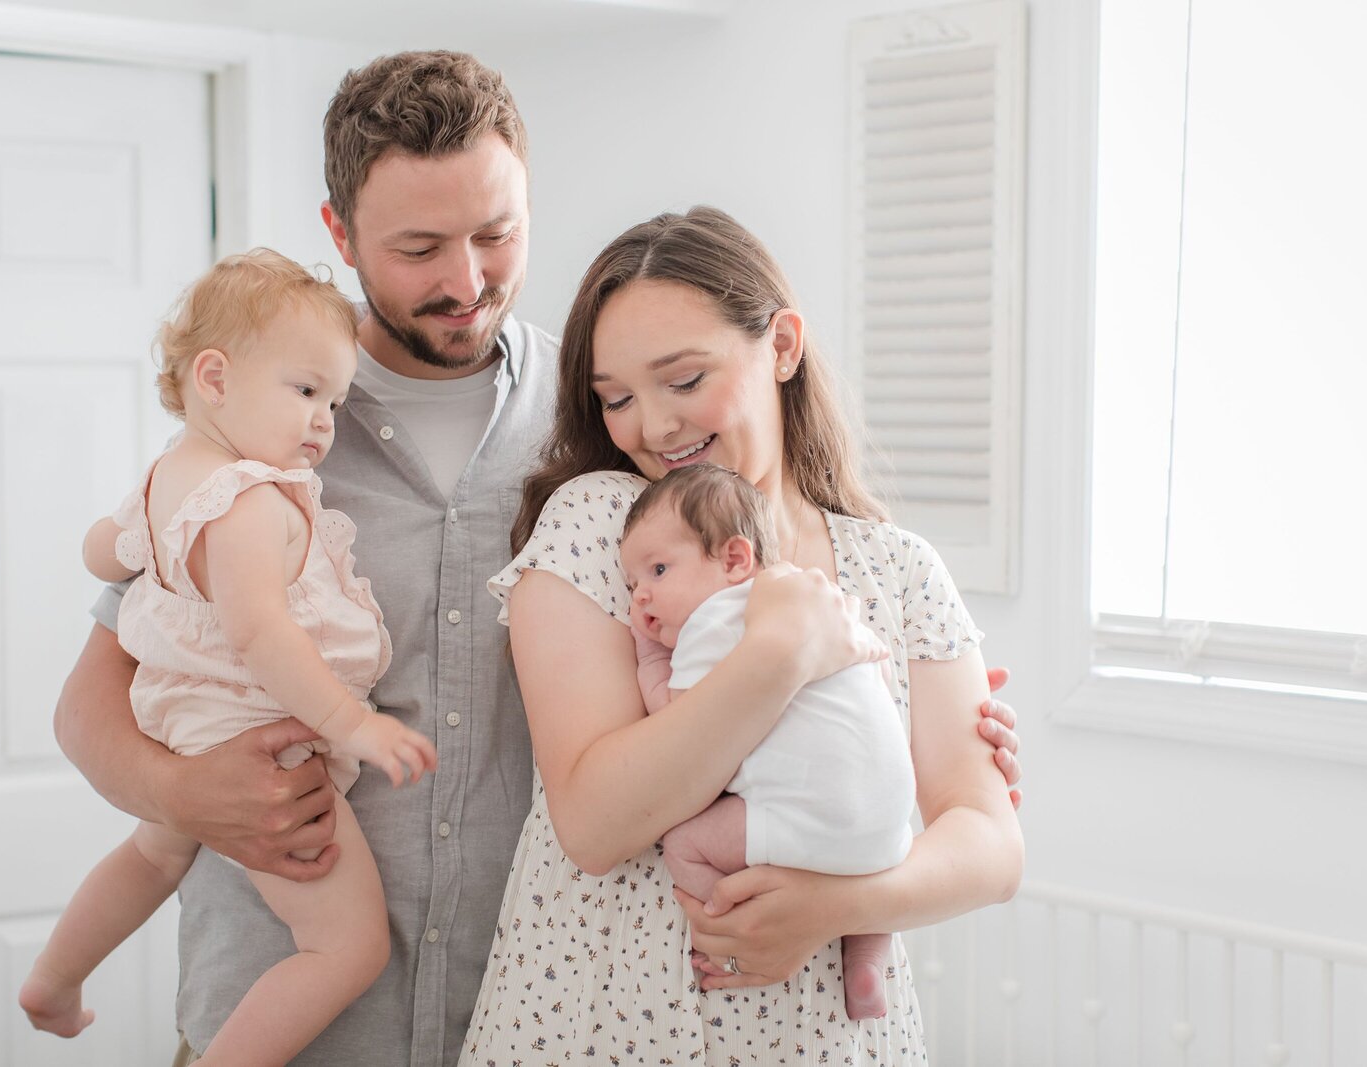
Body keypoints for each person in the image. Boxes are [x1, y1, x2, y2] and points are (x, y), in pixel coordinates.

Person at [50, 52, 1024, 1067]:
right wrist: (180, 793)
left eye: (495, 233)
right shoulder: (268, 427)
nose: (465, 281)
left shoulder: (599, 436)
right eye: (420, 246)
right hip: (287, 1002)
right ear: (339, 234)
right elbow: (89, 708)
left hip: (517, 998)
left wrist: (892, 736)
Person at [463, 205, 1024, 1064]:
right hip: (597, 1027)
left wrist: (829, 907)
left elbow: (989, 844)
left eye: (684, 381)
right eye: (615, 398)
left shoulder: (897, 569)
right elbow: (597, 819)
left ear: (784, 347)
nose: (652, 427)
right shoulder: (605, 530)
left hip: (825, 1041)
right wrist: (779, 651)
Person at [20, 249, 436, 1064]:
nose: (326, 420)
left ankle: (53, 979)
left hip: (184, 721)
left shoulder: (164, 479)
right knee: (348, 948)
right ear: (214, 377)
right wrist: (355, 726)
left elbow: (101, 552)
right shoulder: (246, 500)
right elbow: (260, 633)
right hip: (260, 738)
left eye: (337, 400)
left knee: (153, 850)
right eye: (307, 390)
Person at [618, 461, 912, 1022]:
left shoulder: (718, 620)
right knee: (865, 868)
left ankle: (721, 925)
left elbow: (680, 726)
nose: (641, 597)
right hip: (889, 832)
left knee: (685, 841)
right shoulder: (819, 603)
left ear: (733, 560)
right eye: (633, 584)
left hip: (810, 821)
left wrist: (653, 662)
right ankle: (868, 961)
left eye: (658, 570)